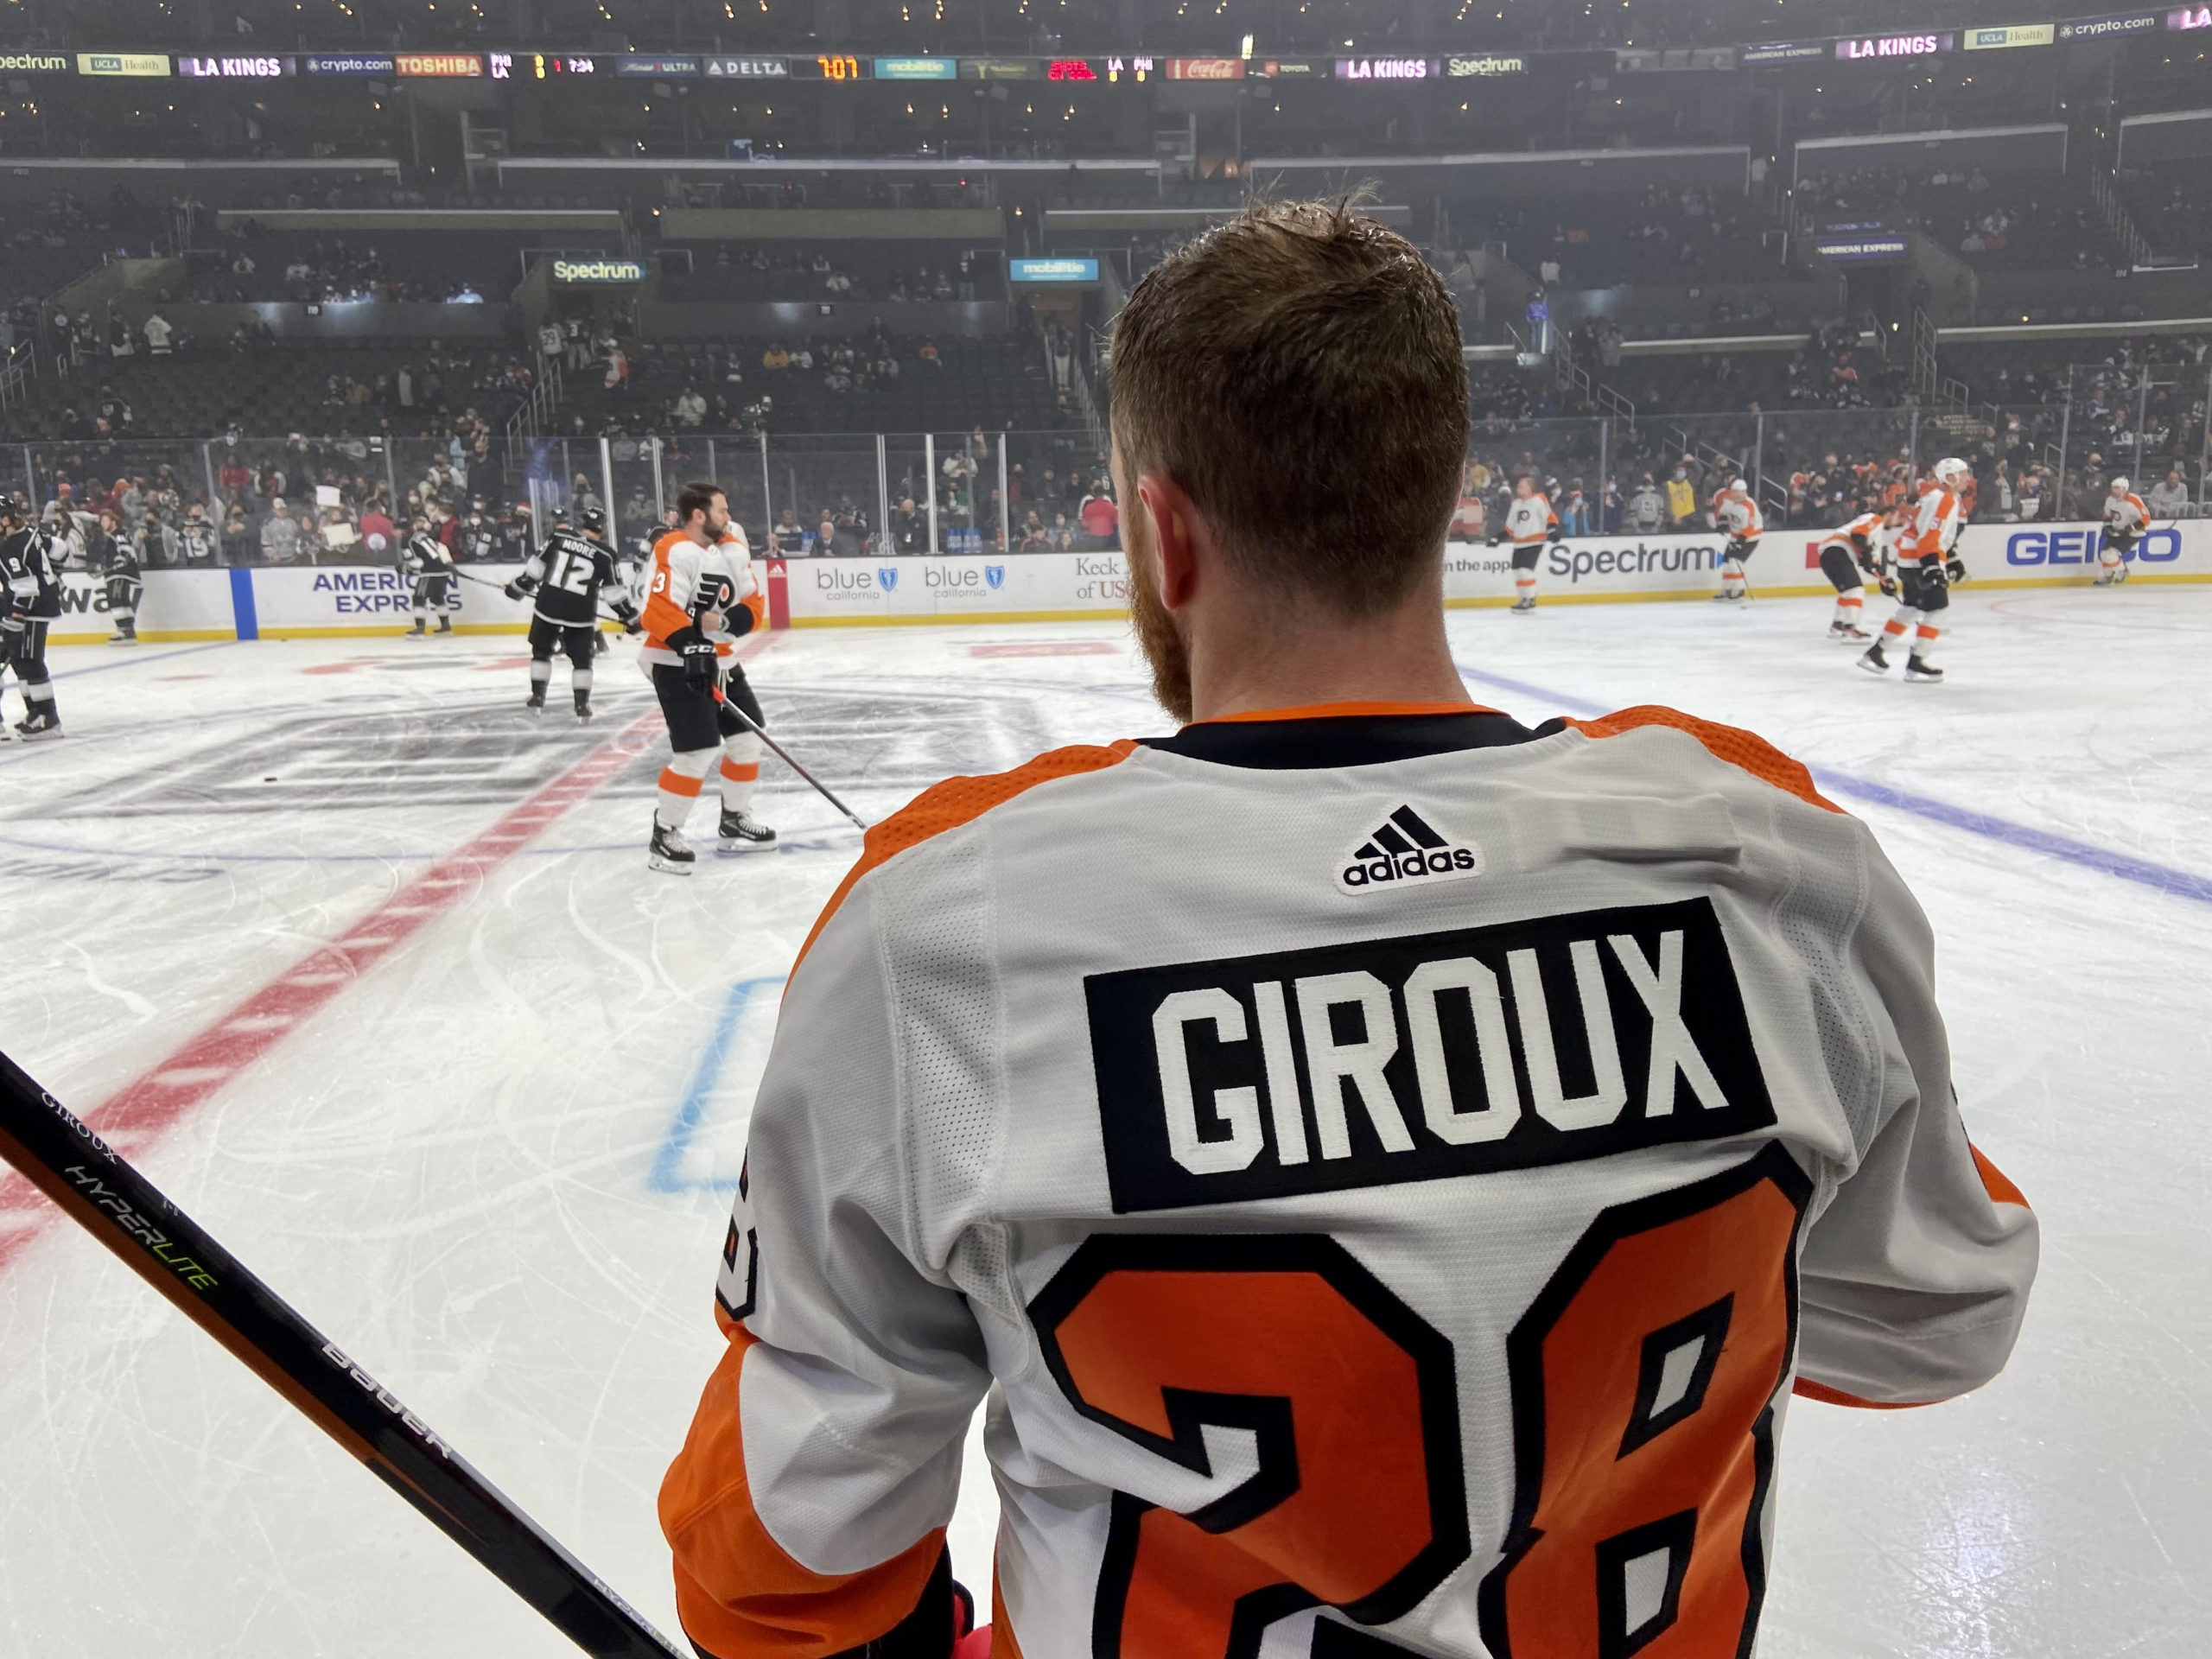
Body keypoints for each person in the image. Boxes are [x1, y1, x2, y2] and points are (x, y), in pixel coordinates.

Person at [658, 200, 2038, 1656]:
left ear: (1162, 533)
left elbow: (793, 1555)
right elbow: (1939, 1314)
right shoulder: (1769, 859)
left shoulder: (945, 926)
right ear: (1444, 501)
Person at [639, 480, 775, 873]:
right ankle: (664, 835)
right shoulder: (674, 548)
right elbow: (658, 610)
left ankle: (734, 818)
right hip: (673, 661)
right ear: (699, 515)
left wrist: (728, 621)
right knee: (697, 750)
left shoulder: (733, 543)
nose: (728, 516)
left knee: (748, 739)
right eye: (721, 510)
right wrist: (689, 643)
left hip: (723, 660)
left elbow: (753, 602)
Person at [505, 505, 638, 720]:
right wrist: (630, 616)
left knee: (541, 652)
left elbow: (535, 570)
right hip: (581, 614)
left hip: (548, 606)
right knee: (582, 661)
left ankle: (537, 697)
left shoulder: (559, 537)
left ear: (581, 523)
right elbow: (614, 595)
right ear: (602, 529)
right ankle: (582, 705)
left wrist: (518, 587)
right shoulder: (606, 555)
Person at [1859, 457, 1968, 683]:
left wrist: (1951, 559)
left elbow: (1937, 536)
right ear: (1950, 477)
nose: (1967, 478)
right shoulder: (1944, 499)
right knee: (1938, 610)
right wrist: (1932, 567)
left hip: (1909, 561)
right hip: (1921, 561)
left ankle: (1876, 652)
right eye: (1963, 473)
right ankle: (1916, 662)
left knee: (1910, 609)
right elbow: (1929, 536)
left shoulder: (1941, 497)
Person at [0, 499, 65, 739]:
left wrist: (17, 615)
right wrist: (55, 578)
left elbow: (27, 587)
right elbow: (61, 549)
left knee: (30, 661)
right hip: (42, 606)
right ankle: (36, 714)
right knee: (22, 661)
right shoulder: (32, 533)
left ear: (5, 519)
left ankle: (49, 719)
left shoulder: (10, 548)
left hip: (33, 611)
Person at [1815, 504, 1896, 643]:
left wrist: (1882, 578)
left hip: (1830, 554)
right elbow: (1858, 535)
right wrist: (1867, 554)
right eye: (1897, 517)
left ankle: (1838, 625)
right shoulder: (1876, 519)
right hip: (1838, 551)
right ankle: (1850, 629)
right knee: (1855, 590)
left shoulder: (1876, 532)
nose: (1897, 522)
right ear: (1888, 514)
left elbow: (1870, 563)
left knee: (1848, 591)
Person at [1490, 473, 1560, 613]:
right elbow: (1510, 527)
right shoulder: (1516, 504)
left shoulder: (1539, 500)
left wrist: (1551, 531)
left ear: (1530, 488)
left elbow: (1549, 517)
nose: (1518, 489)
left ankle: (1530, 598)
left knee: (1525, 570)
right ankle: (1523, 598)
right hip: (1519, 543)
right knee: (1517, 571)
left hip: (1535, 542)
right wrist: (1497, 538)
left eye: (1521, 486)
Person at [402, 516, 456, 639]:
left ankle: (420, 628)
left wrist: (405, 568)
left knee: (418, 598)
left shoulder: (409, 540)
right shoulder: (425, 536)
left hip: (429, 572)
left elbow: (418, 562)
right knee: (437, 598)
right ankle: (445, 627)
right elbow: (440, 549)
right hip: (442, 571)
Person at [1713, 477, 1763, 603]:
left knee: (1735, 562)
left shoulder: (1748, 507)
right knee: (1726, 561)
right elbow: (1723, 513)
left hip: (1750, 537)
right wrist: (1721, 524)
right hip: (1735, 535)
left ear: (1744, 492)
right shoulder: (1728, 501)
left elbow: (1749, 527)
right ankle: (1727, 589)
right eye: (1735, 491)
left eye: (1741, 492)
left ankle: (1739, 590)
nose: (1737, 495)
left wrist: (1740, 543)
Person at [2096, 475, 2152, 586]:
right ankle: (2108, 576)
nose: (2114, 490)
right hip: (2118, 530)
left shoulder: (2134, 500)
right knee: (2104, 554)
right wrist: (2107, 526)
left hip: (2133, 534)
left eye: (2117, 488)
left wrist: (2131, 527)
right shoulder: (2110, 500)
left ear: (2124, 489)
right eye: (2113, 488)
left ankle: (2123, 571)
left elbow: (2146, 519)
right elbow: (2107, 515)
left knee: (2110, 554)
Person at [101, 510, 143, 645]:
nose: (103, 523)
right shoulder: (110, 537)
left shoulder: (118, 534)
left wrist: (119, 561)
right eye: (102, 521)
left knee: (116, 599)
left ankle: (124, 630)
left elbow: (127, 551)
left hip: (120, 573)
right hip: (116, 573)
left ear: (113, 521)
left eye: (106, 520)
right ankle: (128, 631)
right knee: (121, 600)